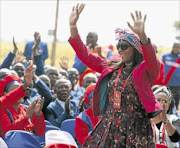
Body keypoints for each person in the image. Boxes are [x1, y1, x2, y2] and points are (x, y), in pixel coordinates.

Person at [68, 4, 162, 147]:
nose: (120, 49)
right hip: (110, 126)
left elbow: (152, 60)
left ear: (135, 49)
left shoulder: (145, 70)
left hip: (136, 129)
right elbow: (85, 56)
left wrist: (143, 37)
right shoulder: (112, 66)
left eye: (124, 46)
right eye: (118, 45)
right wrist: (73, 26)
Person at [0, 74, 46, 138]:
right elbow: (7, 134)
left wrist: (37, 115)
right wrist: (26, 117)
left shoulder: (26, 108)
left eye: (20, 90)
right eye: (15, 91)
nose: (19, 93)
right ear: (6, 94)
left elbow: (40, 133)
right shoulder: (3, 110)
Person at [162, 42, 180, 110]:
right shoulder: (165, 56)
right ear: (172, 47)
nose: (176, 48)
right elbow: (160, 68)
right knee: (165, 102)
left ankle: (175, 118)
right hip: (166, 84)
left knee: (175, 103)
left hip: (177, 85)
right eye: (174, 47)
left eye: (177, 47)